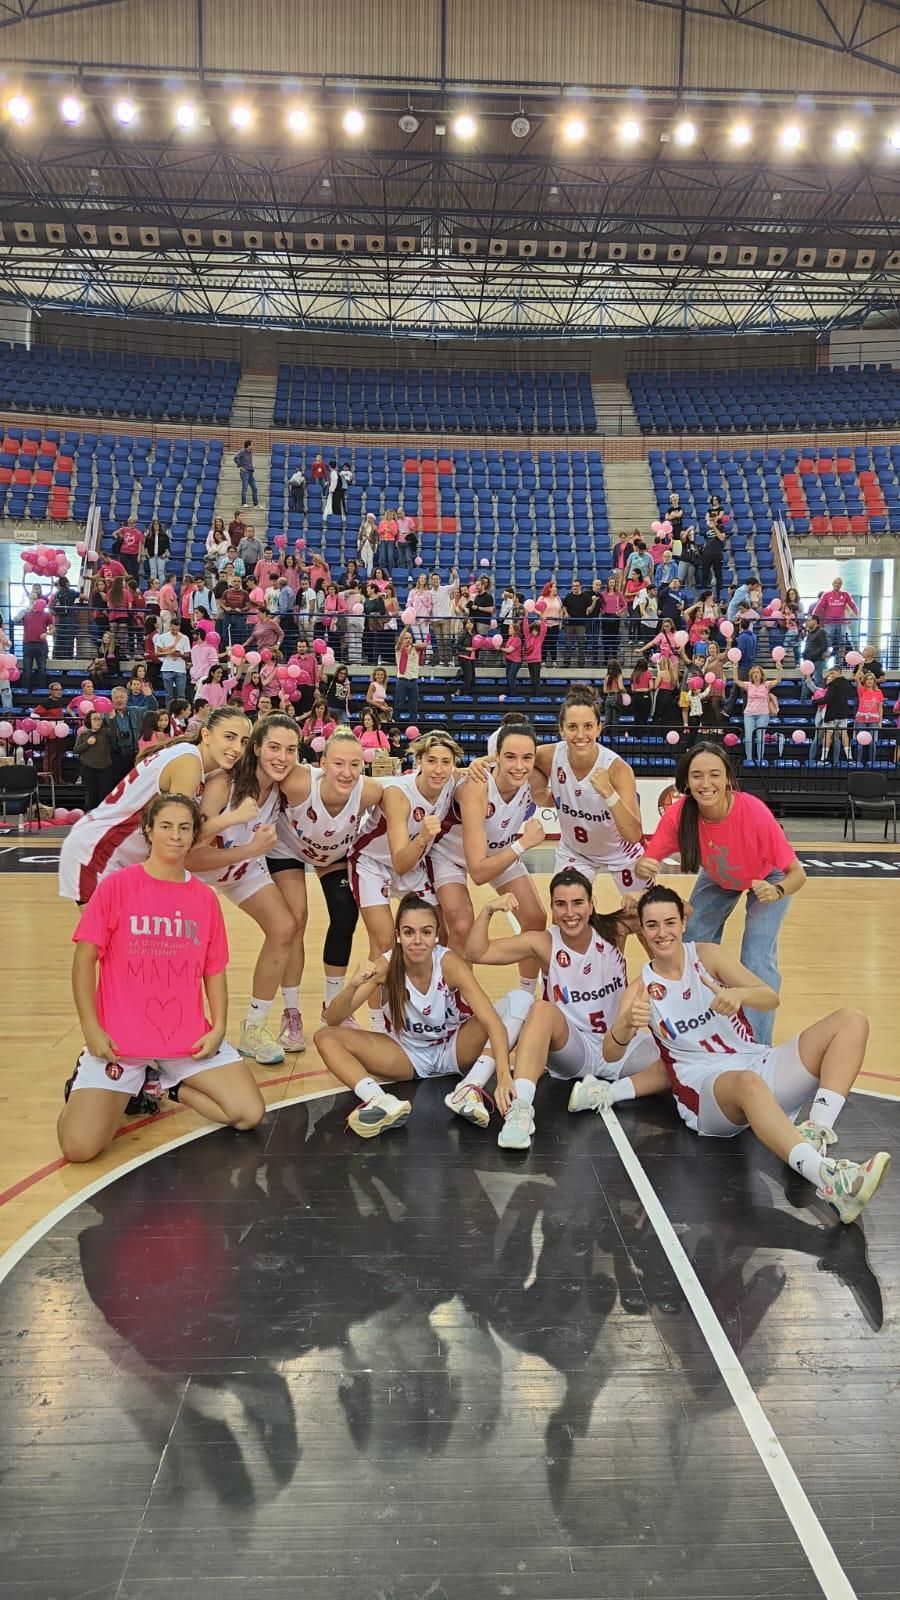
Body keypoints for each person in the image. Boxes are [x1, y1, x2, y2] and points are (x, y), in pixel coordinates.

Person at [600, 885, 890, 1226]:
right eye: (652, 925)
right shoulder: (641, 988)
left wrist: (740, 994)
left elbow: (769, 997)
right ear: (644, 930)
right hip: (705, 1092)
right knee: (747, 1083)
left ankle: (815, 1131)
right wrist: (625, 1024)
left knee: (850, 1021)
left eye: (669, 923)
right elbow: (610, 1053)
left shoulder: (708, 956)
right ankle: (829, 1180)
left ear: (682, 923)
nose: (662, 933)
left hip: (753, 1061)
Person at [58, 793, 265, 1162]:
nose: (175, 835)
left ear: (195, 834)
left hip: (186, 1039)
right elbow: (83, 960)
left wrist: (218, 1026)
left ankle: (162, 1085)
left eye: (184, 828)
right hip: (120, 1042)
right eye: (166, 826)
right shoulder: (117, 886)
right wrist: (91, 1027)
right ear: (149, 830)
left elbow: (214, 970)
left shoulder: (204, 898)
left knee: (248, 1113)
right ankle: (113, 1083)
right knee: (79, 1148)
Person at [464, 871, 660, 1150]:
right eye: (561, 904)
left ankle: (606, 1092)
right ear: (552, 908)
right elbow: (476, 953)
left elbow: (682, 913)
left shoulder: (614, 929)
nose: (570, 913)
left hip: (621, 1044)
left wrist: (646, 898)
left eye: (578, 903)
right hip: (573, 1050)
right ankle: (520, 1110)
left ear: (591, 905)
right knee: (540, 1009)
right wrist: (487, 911)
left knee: (679, 1060)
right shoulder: (543, 942)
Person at [314, 894, 527, 1139]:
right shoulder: (385, 966)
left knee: (521, 1000)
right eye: (409, 932)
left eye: (426, 932)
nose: (417, 940)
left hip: (453, 1047)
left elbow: (492, 1022)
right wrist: (352, 986)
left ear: (436, 935)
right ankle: (380, 1100)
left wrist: (503, 1075)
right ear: (398, 935)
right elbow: (333, 1019)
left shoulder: (449, 964)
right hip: (406, 1054)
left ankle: (470, 1088)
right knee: (325, 1037)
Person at [635, 742, 806, 1045]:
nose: (706, 783)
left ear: (728, 778)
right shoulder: (680, 815)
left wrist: (777, 891)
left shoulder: (753, 812)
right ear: (686, 782)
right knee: (691, 942)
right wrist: (643, 866)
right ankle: (703, 1027)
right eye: (697, 775)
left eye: (714, 774)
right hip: (718, 876)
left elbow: (797, 874)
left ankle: (756, 1045)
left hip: (769, 878)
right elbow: (647, 862)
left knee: (756, 956)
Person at [187, 715, 301, 1064]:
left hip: (238, 867)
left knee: (285, 927)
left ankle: (254, 1027)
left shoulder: (281, 787)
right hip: (198, 872)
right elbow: (191, 855)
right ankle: (182, 1027)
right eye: (274, 748)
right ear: (256, 748)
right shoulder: (224, 783)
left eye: (291, 750)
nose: (282, 757)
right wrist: (251, 849)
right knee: (191, 952)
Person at [59, 707, 251, 903]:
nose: (237, 748)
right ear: (206, 735)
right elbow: (176, 835)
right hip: (99, 851)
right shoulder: (188, 763)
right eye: (229, 737)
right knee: (109, 926)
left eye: (244, 741)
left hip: (113, 852)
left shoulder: (191, 759)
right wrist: (234, 819)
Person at [267, 728, 386, 1048]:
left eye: (355, 764)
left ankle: (333, 1008)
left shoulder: (370, 791)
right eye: (338, 764)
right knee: (296, 920)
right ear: (322, 764)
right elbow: (260, 778)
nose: (347, 772)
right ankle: (291, 1012)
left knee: (345, 915)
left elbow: (409, 789)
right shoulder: (297, 782)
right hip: (289, 850)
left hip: (333, 855)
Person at [348, 730, 464, 1033]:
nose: (439, 769)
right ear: (419, 761)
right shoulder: (399, 795)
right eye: (432, 761)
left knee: (441, 935)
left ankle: (435, 1003)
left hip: (413, 867)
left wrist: (482, 763)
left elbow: (477, 769)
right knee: (384, 942)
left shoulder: (450, 782)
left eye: (446, 762)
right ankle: (379, 1024)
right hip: (373, 863)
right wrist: (424, 836)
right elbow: (400, 861)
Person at [429, 719, 549, 973]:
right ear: (497, 757)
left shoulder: (535, 781)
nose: (519, 766)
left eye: (527, 758)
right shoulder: (477, 786)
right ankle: (458, 994)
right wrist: (524, 844)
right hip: (450, 856)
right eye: (510, 757)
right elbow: (479, 873)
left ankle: (525, 994)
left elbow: (564, 762)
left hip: (498, 851)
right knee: (462, 926)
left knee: (536, 919)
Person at [533, 687, 643, 893]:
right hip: (575, 851)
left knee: (644, 909)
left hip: (621, 852)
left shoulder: (617, 768)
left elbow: (634, 834)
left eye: (588, 726)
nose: (580, 735)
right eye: (572, 727)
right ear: (561, 729)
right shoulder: (550, 755)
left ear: (599, 728)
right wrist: (481, 763)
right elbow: (512, 755)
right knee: (565, 904)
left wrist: (609, 793)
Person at [730, 659, 783, 765]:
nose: (755, 674)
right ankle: (749, 759)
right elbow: (736, 680)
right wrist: (735, 668)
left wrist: (779, 669)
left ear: (761, 674)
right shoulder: (748, 685)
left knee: (760, 739)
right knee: (748, 738)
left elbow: (778, 680)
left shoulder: (766, 684)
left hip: (763, 714)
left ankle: (760, 760)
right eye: (754, 672)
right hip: (749, 714)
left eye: (757, 672)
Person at [75, 711, 115, 811]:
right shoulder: (84, 734)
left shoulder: (105, 733)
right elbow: (76, 750)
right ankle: (90, 814)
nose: (98, 721)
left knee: (104, 793)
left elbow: (114, 733)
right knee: (91, 794)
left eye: (99, 719)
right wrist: (87, 744)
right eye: (95, 719)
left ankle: (103, 814)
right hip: (88, 768)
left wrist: (112, 720)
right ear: (89, 721)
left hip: (105, 768)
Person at [812, 577, 859, 661]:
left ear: (841, 585)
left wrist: (857, 614)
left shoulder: (845, 594)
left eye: (839, 583)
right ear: (833, 584)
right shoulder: (826, 594)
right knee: (826, 642)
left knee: (842, 643)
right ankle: (824, 662)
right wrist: (813, 617)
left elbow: (852, 604)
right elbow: (819, 605)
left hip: (842, 623)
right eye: (836, 583)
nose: (837, 584)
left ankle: (840, 662)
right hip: (829, 622)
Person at [819, 667, 857, 766]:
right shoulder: (847, 683)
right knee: (844, 733)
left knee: (828, 734)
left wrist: (815, 702)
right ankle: (850, 758)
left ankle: (823, 759)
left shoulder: (833, 685)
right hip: (843, 712)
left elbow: (828, 698)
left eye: (833, 673)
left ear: (839, 672)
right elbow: (853, 693)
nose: (831, 675)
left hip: (831, 713)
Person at [153, 615, 190, 700]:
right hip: (167, 668)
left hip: (180, 669)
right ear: (169, 626)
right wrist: (169, 653)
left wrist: (179, 654)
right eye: (173, 629)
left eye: (177, 629)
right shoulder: (162, 637)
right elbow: (157, 653)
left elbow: (187, 655)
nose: (175, 631)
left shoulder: (184, 638)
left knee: (181, 695)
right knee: (168, 696)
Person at [800, 615, 829, 700]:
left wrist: (813, 655)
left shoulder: (821, 632)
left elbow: (824, 646)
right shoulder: (810, 633)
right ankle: (803, 700)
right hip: (809, 660)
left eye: (809, 620)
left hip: (818, 661)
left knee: (818, 680)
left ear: (815, 621)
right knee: (806, 680)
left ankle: (820, 699)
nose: (807, 622)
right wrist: (804, 654)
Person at [234, 440, 259, 507]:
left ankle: (256, 504)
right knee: (245, 488)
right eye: (252, 445)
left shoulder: (250, 453)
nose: (253, 446)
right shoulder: (242, 452)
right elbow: (235, 458)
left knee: (255, 488)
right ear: (248, 445)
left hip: (250, 472)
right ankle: (244, 503)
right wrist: (240, 466)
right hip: (244, 472)